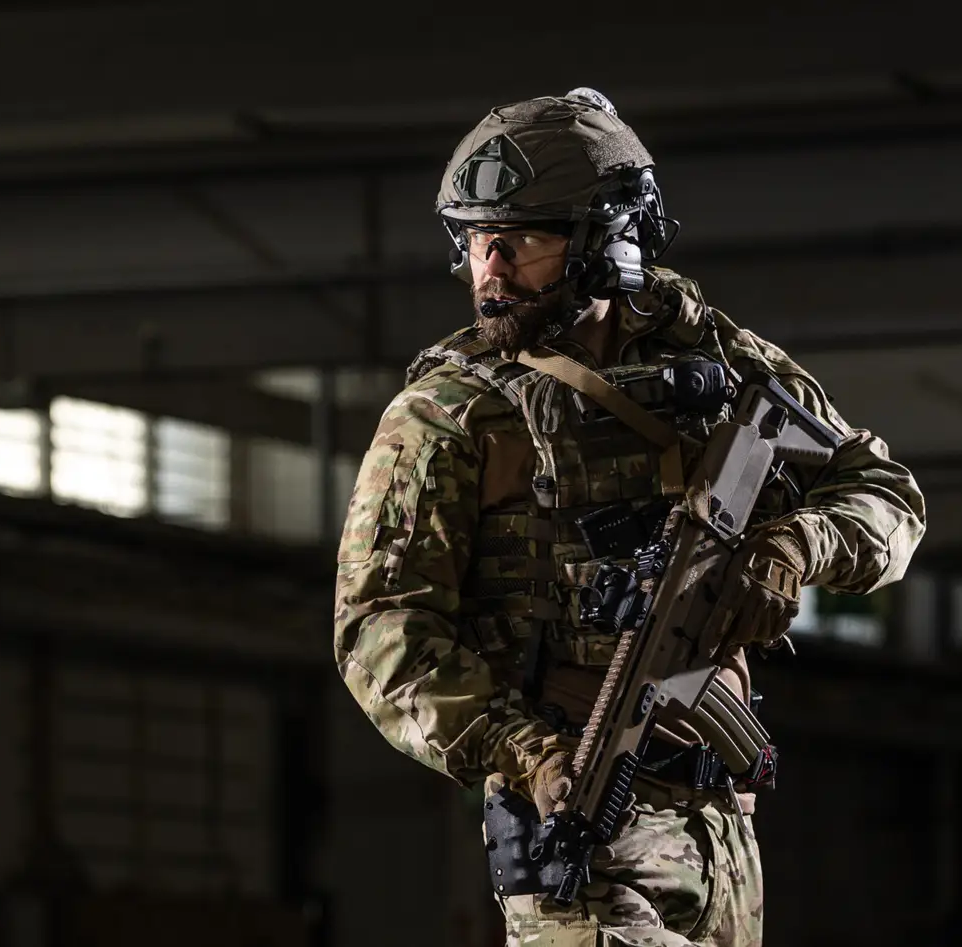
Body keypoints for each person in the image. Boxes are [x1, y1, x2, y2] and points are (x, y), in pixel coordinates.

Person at [332, 88, 926, 947]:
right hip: (575, 821)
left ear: (604, 238)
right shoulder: (450, 414)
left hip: (721, 828)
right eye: (473, 241)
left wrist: (797, 543)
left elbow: (886, 495)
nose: (489, 270)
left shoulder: (720, 363)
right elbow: (380, 631)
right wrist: (526, 751)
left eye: (519, 241)